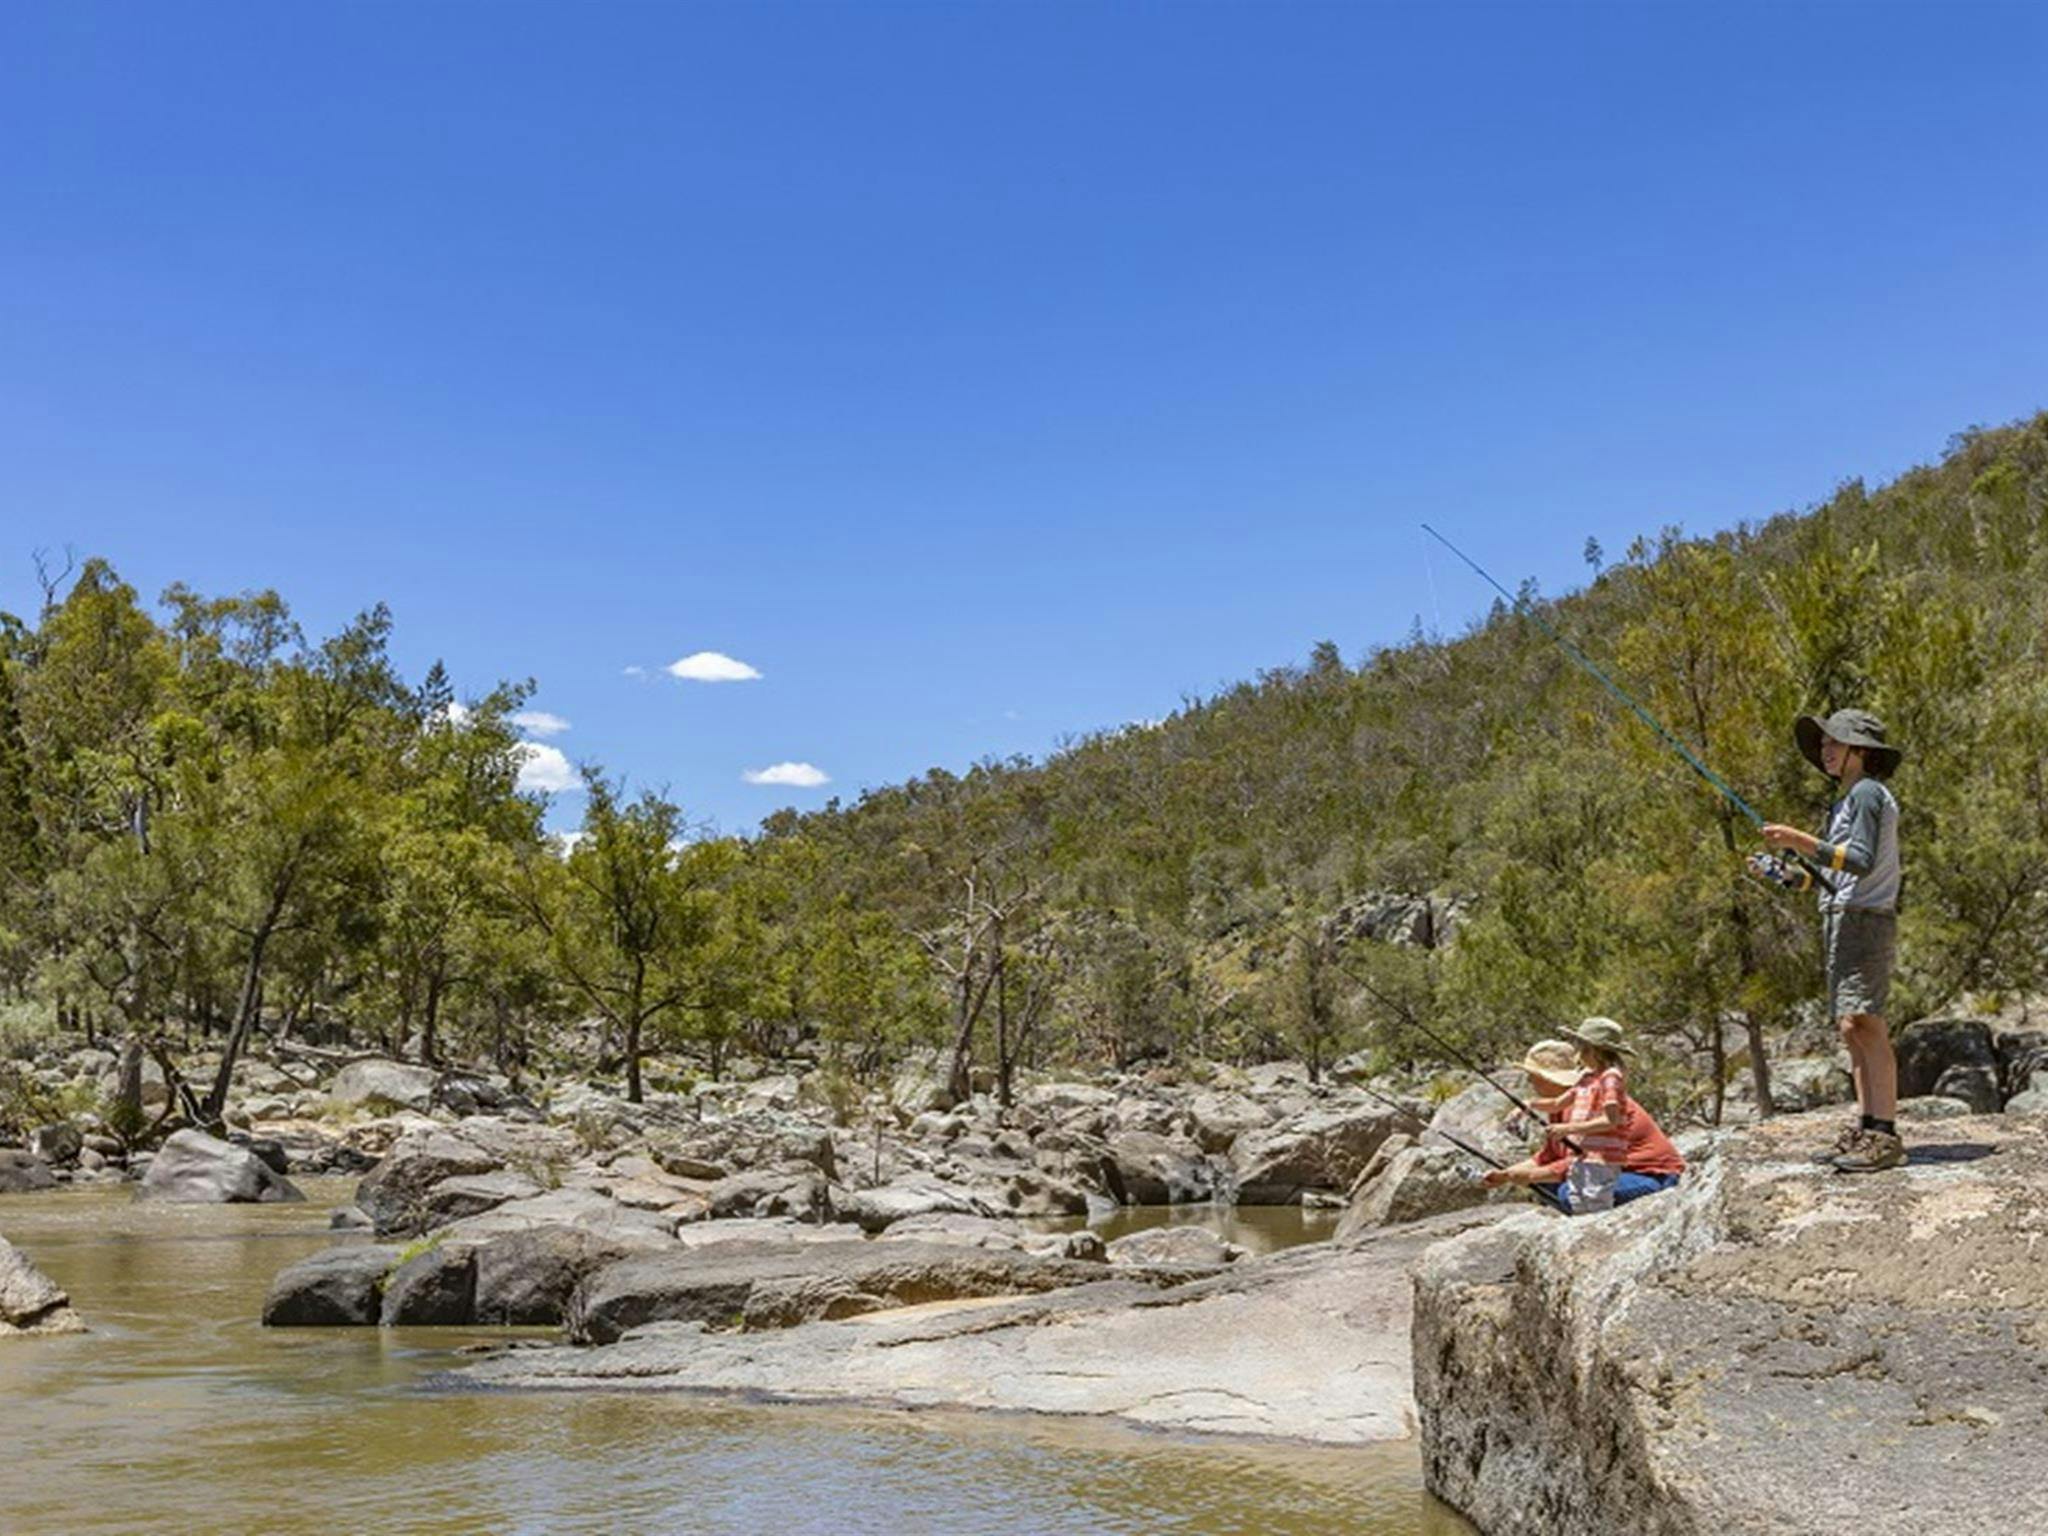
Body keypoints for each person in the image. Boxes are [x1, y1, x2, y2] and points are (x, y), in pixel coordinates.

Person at [1761, 708, 1905, 1174]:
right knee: (1850, 1026)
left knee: (1866, 1022)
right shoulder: (1845, 801)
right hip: (1844, 917)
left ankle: (1883, 1133)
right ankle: (1866, 1126)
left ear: (1859, 751)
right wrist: (1787, 875)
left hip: (1864, 919)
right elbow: (1828, 878)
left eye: (1834, 744)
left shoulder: (1866, 793)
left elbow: (1859, 861)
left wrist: (1797, 840)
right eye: (1823, 744)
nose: (1825, 751)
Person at [1482, 1019, 1684, 1213]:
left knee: (1565, 1192)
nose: (1529, 1081)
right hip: (1609, 1171)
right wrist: (1504, 1175)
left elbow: (1576, 1162)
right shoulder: (1567, 1102)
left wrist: (1524, 1176)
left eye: (1533, 1076)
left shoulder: (1591, 1101)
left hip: (1652, 1176)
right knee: (1555, 1186)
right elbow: (1548, 1157)